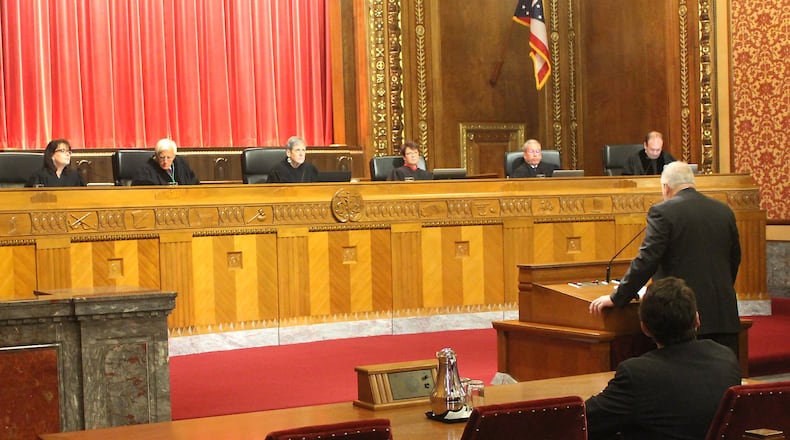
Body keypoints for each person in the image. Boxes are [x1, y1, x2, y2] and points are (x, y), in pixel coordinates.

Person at [590, 161, 741, 355]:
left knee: (684, 381)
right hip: (723, 314)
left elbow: (647, 260)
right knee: (723, 378)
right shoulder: (723, 211)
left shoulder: (663, 212)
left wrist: (618, 297)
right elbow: (735, 258)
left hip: (681, 316)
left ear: (665, 187)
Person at [585, 277, 741, 440]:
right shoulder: (725, 358)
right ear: (697, 320)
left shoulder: (637, 374)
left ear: (644, 328)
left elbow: (584, 422)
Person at [131, 138, 199, 186]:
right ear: (156, 156)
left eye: (169, 157)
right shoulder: (145, 172)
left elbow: (194, 184)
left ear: (174, 156)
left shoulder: (181, 164)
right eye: (162, 157)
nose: (165, 161)